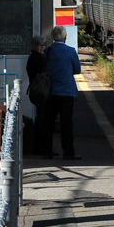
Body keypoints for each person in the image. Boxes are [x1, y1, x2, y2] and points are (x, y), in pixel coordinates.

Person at [42, 26, 83, 159]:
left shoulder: (47, 52)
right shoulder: (70, 51)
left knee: (48, 123)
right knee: (66, 123)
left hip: (50, 92)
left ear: (53, 37)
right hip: (66, 92)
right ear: (65, 37)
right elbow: (77, 69)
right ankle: (68, 152)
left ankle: (47, 151)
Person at [26, 34, 52, 156]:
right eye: (39, 45)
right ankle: (39, 147)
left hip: (39, 92)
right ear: (34, 46)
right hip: (40, 92)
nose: (42, 47)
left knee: (42, 118)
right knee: (42, 119)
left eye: (44, 45)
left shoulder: (38, 57)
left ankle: (40, 147)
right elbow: (42, 71)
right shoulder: (36, 58)